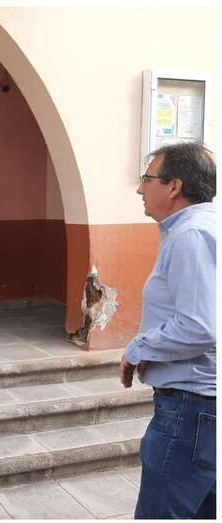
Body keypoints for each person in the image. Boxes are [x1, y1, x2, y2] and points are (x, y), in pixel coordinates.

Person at [120, 142, 216, 519]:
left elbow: (199, 327)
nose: (140, 189)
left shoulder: (191, 235)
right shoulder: (203, 228)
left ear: (174, 186)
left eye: (147, 179)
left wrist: (137, 349)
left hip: (191, 409)